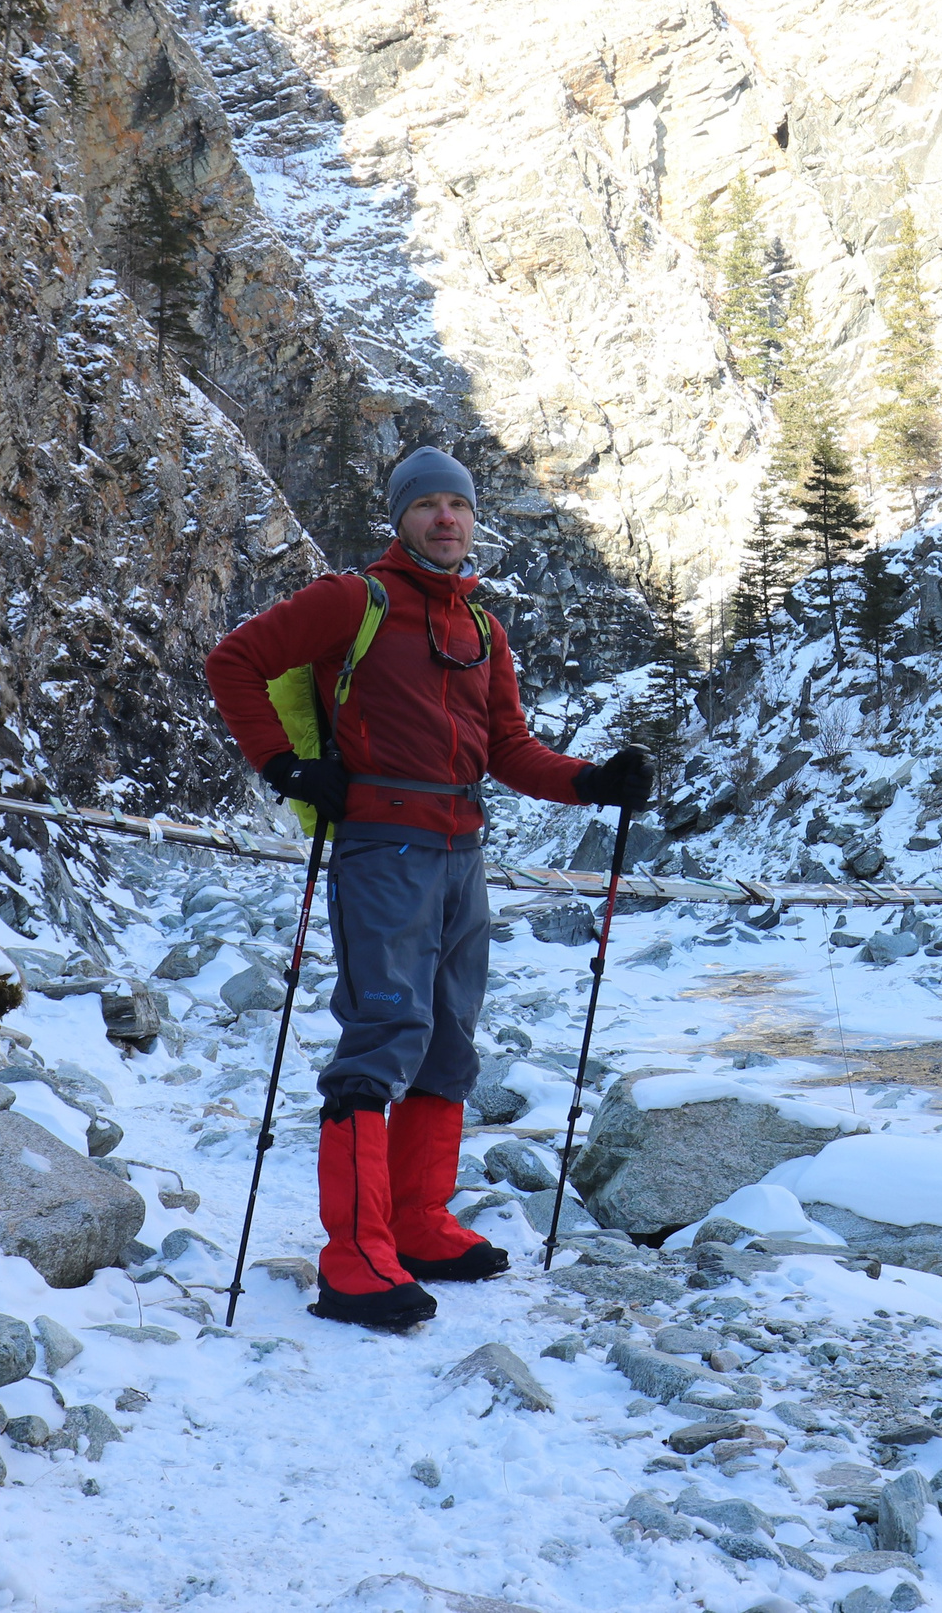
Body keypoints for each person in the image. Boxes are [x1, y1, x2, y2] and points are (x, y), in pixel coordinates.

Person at [206, 446, 651, 1329]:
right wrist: (286, 767)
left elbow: (509, 750)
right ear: (400, 517)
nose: (446, 518)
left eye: (459, 504)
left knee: (449, 1038)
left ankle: (416, 1223)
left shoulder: (482, 624)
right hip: (381, 847)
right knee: (384, 1032)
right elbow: (235, 661)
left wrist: (593, 780)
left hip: (460, 852)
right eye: (428, 505)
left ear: (473, 520)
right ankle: (354, 1257)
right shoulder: (353, 600)